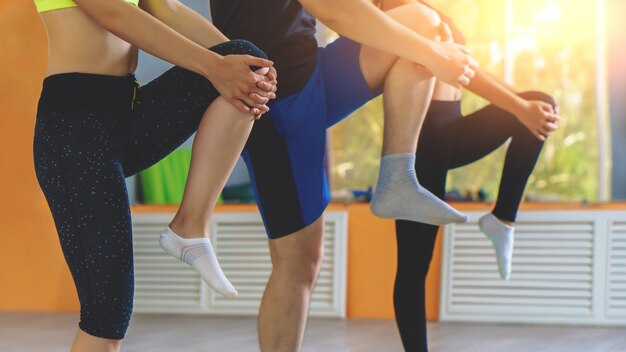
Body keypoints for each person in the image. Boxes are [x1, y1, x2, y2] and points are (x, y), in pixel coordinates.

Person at [205, 0, 479, 351]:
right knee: (298, 262)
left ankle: (398, 176)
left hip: (312, 71)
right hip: (276, 99)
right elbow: (337, 12)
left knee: (424, 22)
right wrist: (437, 58)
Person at [32, 0, 278, 349]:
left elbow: (165, 8)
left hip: (126, 114)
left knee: (244, 54)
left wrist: (248, 69)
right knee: (107, 316)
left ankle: (190, 226)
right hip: (74, 133)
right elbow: (112, 13)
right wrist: (216, 67)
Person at [375, 1, 561, 351]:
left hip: (452, 129)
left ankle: (502, 219)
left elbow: (467, 71)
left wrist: (521, 106)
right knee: (415, 264)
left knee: (541, 104)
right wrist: (519, 107)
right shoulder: (399, 10)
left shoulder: (427, 9)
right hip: (421, 141)